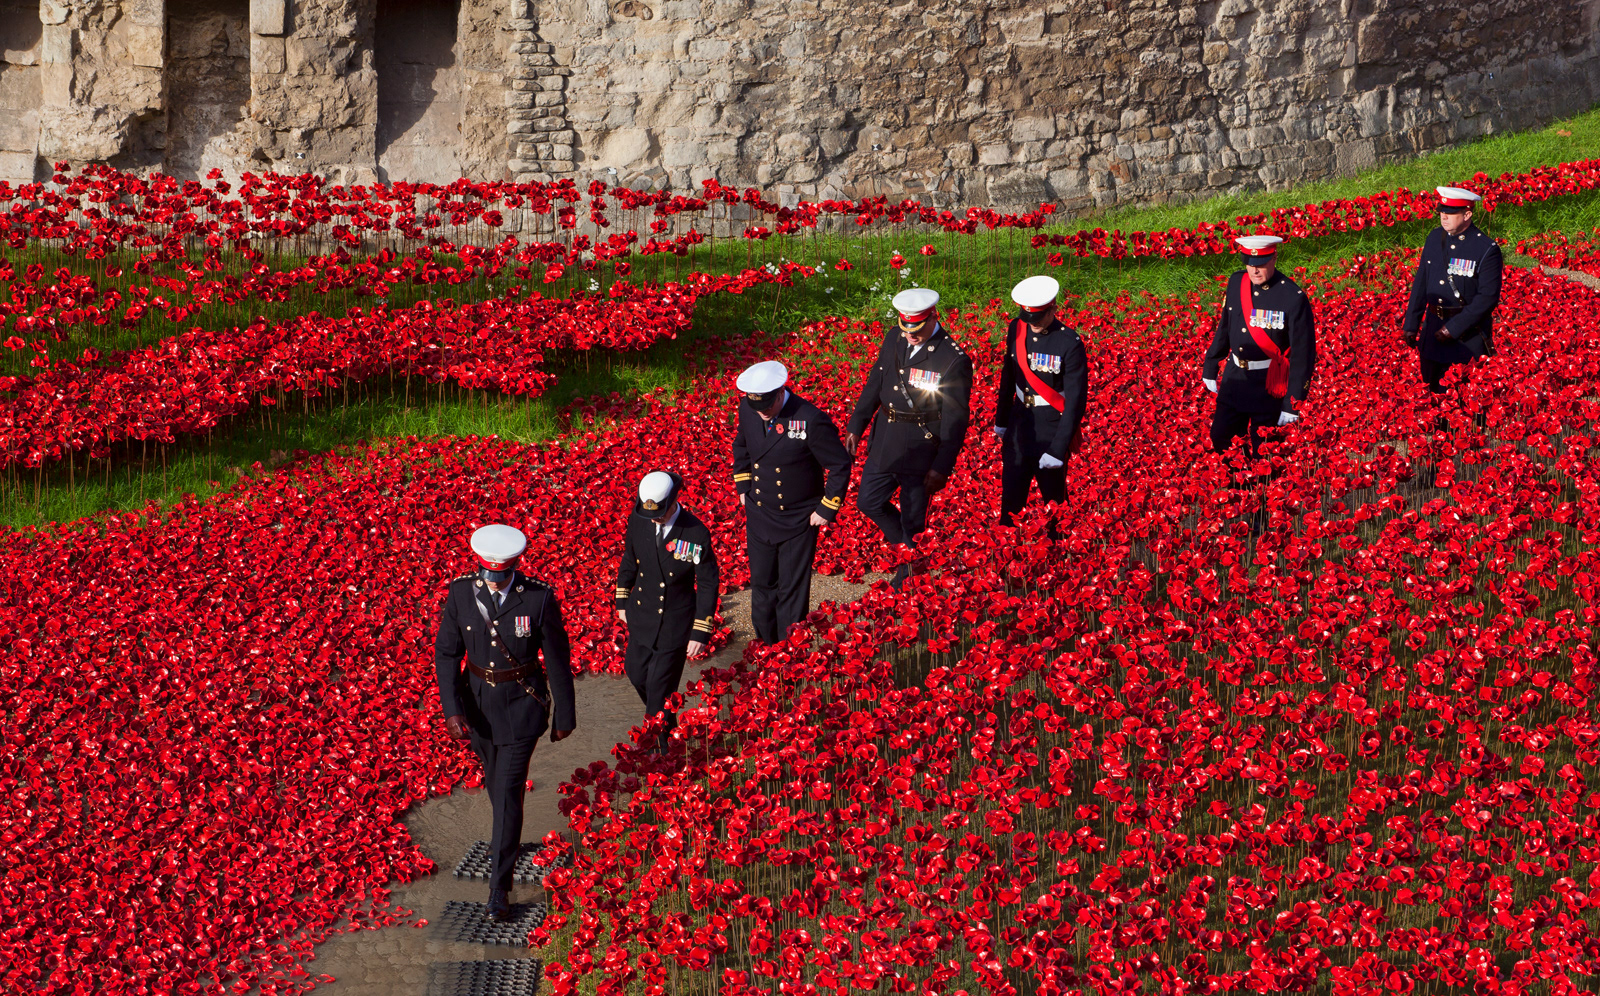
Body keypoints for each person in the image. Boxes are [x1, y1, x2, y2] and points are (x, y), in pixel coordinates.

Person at [434, 524, 576, 922]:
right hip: (478, 707)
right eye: (488, 573)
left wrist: (565, 715)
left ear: (514, 565)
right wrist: (452, 709)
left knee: (508, 794)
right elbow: (447, 653)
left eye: (501, 573)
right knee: (499, 789)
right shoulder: (462, 592)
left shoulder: (537, 597)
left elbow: (557, 659)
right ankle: (507, 838)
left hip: (522, 708)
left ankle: (500, 888)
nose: (494, 580)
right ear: (480, 566)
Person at [844, 287, 973, 586]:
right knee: (868, 501)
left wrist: (942, 466)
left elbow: (956, 420)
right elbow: (876, 381)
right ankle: (905, 547)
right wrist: (856, 424)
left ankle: (907, 572)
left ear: (933, 317)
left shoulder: (952, 359)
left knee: (914, 518)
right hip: (887, 438)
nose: (910, 335)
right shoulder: (894, 338)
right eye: (906, 327)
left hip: (920, 446)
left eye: (916, 328)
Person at [731, 360, 852, 644]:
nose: (762, 412)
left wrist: (827, 507)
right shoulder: (749, 410)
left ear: (780, 392)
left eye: (767, 406)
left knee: (791, 588)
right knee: (762, 586)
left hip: (798, 516)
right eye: (755, 406)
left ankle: (788, 650)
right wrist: (743, 485)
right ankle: (765, 645)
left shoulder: (809, 418)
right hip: (760, 512)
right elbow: (742, 446)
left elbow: (839, 465)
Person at [614, 470, 719, 753]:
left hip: (674, 623)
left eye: (659, 513)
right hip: (641, 616)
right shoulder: (639, 520)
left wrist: (701, 630)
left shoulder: (695, 532)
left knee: (658, 693)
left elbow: (708, 583)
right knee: (636, 674)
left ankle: (658, 751)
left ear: (673, 501)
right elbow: (629, 560)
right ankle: (668, 728)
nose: (655, 518)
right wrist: (622, 600)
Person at [1201, 236, 1317, 456]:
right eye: (1249, 263)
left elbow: (1303, 354)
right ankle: (1236, 487)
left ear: (1274, 258)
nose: (1254, 270)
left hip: (1268, 385)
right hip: (1234, 379)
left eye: (1260, 263)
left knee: (1263, 451)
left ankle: (1258, 490)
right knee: (1221, 438)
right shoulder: (1237, 282)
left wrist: (1294, 401)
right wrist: (1211, 364)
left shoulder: (1292, 297)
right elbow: (1226, 325)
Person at [994, 275, 1088, 527]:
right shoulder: (1017, 327)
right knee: (1011, 500)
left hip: (1050, 427)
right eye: (1028, 318)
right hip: (1019, 422)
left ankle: (1057, 556)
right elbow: (1009, 375)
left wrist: (1058, 449)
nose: (1032, 324)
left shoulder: (1069, 342)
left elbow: (1076, 402)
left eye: (1038, 318)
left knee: (1054, 504)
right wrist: (1001, 420)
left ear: (1053, 309)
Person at [1401, 185, 1501, 395]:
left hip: (1466, 336)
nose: (1443, 217)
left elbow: (1487, 298)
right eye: (1441, 212)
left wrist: (1453, 329)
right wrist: (1411, 324)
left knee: (1464, 398)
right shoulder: (1435, 238)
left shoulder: (1485, 249)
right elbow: (1421, 282)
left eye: (1450, 213)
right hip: (1433, 330)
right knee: (1431, 391)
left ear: (1467, 214)